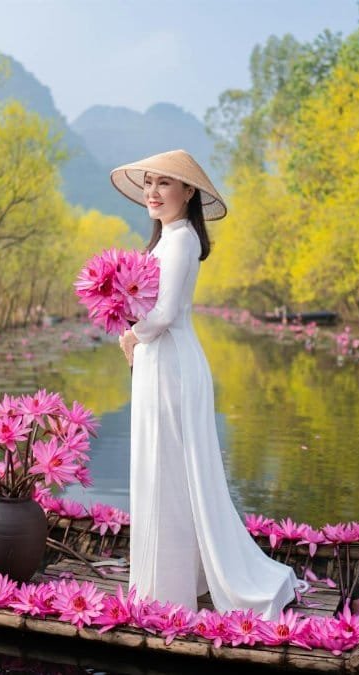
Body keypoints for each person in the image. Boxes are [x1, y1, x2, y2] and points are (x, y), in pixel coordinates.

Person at [110, 149, 299, 619]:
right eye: (149, 183)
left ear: (188, 191)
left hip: (172, 365)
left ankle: (168, 589)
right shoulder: (166, 239)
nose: (152, 193)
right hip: (160, 363)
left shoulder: (181, 241)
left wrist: (132, 331)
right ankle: (176, 579)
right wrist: (125, 318)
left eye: (164, 184)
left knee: (171, 469)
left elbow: (165, 314)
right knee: (164, 470)